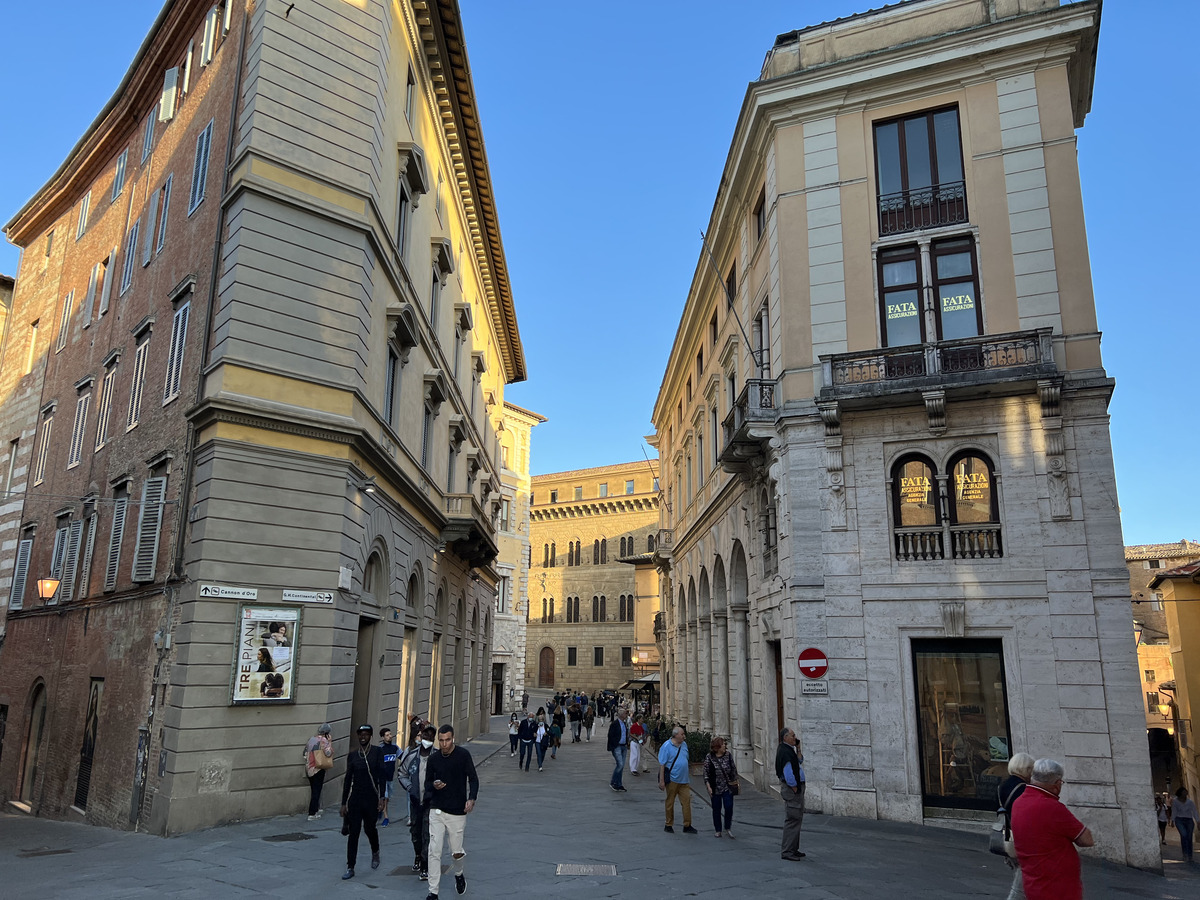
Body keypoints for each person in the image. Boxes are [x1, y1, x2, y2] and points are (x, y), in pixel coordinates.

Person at [1011, 758, 1094, 900]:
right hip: (1057, 885)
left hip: (1033, 879)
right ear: (1056, 784)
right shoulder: (1052, 807)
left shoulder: (1019, 802)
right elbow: (1087, 839)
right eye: (1061, 782)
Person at [423, 724, 479, 900]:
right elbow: (427, 783)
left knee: (456, 851)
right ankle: (433, 892)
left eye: (447, 740)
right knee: (434, 850)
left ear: (452, 738)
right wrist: (434, 785)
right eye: (441, 741)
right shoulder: (433, 759)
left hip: (457, 811)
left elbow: (473, 779)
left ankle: (459, 873)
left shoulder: (463, 755)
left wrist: (472, 799)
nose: (444, 744)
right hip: (437, 809)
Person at [340, 724, 386, 880]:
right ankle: (350, 866)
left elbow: (382, 776)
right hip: (356, 798)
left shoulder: (377, 752)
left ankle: (375, 851)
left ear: (370, 736)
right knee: (354, 833)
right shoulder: (353, 756)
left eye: (366, 734)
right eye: (360, 734)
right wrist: (343, 802)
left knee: (369, 828)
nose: (363, 736)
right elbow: (348, 780)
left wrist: (382, 798)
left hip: (371, 797)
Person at [997, 753, 1034, 900]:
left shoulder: (1002, 786)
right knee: (1021, 881)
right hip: (1022, 837)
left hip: (1007, 836)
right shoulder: (1024, 789)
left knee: (1022, 875)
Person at [405, 724, 437, 880]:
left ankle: (425, 864)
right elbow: (402, 773)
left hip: (430, 802)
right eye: (425, 736)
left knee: (427, 834)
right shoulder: (412, 756)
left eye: (430, 737)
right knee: (415, 833)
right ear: (420, 737)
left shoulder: (437, 756)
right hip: (415, 801)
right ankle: (418, 854)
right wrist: (410, 788)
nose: (427, 739)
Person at [658, 725, 696, 833]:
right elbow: (662, 765)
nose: (684, 736)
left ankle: (687, 825)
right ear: (675, 735)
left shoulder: (684, 745)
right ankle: (668, 824)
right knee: (670, 802)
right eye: (682, 734)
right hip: (672, 779)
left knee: (686, 802)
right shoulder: (666, 746)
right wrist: (662, 781)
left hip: (684, 780)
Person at [776, 726, 806, 860]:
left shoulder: (789, 750)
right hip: (792, 791)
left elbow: (800, 760)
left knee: (797, 819)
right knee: (792, 819)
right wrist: (795, 788)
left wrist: (798, 748)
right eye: (792, 736)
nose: (795, 738)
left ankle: (793, 848)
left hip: (795, 789)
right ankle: (787, 851)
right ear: (785, 738)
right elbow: (788, 775)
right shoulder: (785, 753)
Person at [703, 736, 739, 838]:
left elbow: (733, 769)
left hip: (727, 787)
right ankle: (718, 830)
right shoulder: (709, 757)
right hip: (715, 787)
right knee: (716, 809)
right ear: (717, 746)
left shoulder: (728, 755)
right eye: (723, 744)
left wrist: (734, 780)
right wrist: (708, 787)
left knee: (728, 807)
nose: (725, 746)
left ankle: (728, 827)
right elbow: (706, 773)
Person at [303, 723, 333, 820]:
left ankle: (316, 809)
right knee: (317, 791)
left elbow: (304, 754)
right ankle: (312, 813)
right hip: (318, 768)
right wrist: (330, 743)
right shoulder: (324, 741)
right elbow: (328, 753)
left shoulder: (311, 739)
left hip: (309, 768)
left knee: (313, 789)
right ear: (327, 733)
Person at [379, 727, 399, 827]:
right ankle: (386, 817)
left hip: (391, 777)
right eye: (387, 735)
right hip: (382, 777)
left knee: (387, 798)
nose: (390, 736)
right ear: (383, 737)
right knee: (385, 797)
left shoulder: (395, 747)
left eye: (390, 734)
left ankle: (380, 809)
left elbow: (403, 757)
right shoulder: (380, 749)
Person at [607, 706, 630, 792]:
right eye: (625, 713)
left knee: (622, 766)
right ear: (621, 715)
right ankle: (613, 782)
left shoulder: (624, 723)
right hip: (617, 746)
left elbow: (625, 734)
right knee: (620, 765)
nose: (626, 715)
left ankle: (619, 784)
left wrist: (627, 742)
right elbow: (610, 735)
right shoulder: (614, 724)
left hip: (623, 746)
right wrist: (614, 745)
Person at [1173, 786, 1197, 862]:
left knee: (1189, 838)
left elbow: (1194, 811)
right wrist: (1172, 820)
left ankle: (1189, 856)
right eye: (1184, 792)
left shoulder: (1190, 802)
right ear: (1180, 793)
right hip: (1179, 819)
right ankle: (1185, 854)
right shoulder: (1175, 801)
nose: (1185, 793)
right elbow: (1174, 811)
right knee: (1184, 835)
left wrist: (1198, 821)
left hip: (1189, 820)